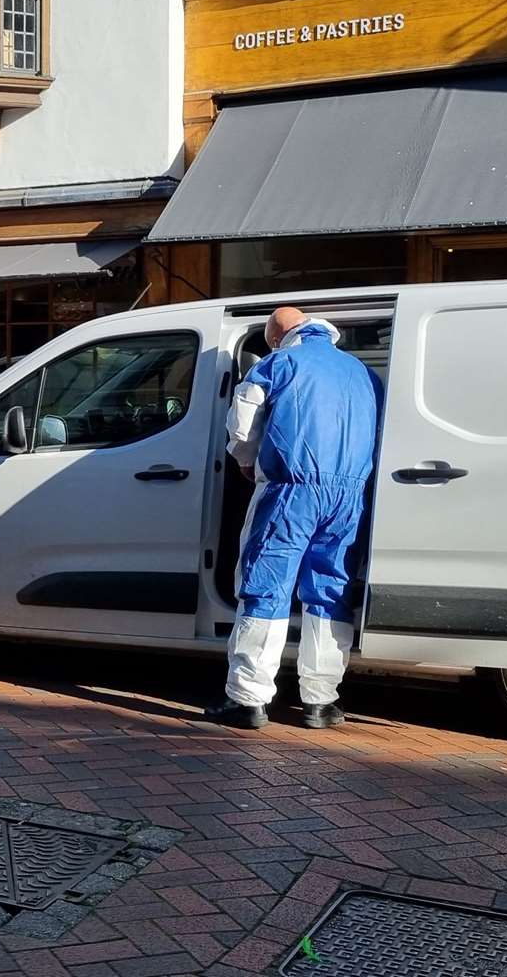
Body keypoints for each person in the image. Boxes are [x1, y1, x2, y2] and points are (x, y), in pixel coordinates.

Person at [211, 306, 383, 731]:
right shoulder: (364, 374)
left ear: (276, 336)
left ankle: (247, 700)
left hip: (291, 488)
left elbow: (243, 419)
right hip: (349, 496)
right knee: (329, 594)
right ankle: (321, 702)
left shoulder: (279, 362)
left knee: (265, 589)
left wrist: (246, 461)